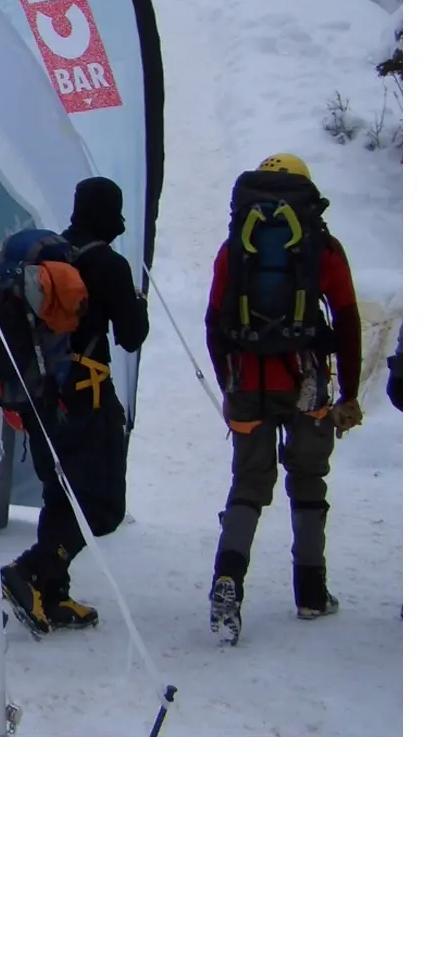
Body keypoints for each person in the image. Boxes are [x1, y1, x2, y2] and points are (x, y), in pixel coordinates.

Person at [205, 153, 361, 642]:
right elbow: (348, 319)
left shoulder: (235, 249)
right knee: (309, 480)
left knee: (249, 483)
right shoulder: (323, 248)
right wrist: (350, 393)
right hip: (307, 379)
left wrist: (228, 379)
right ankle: (311, 591)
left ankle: (228, 579)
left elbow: (214, 323)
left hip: (249, 379)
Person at [0, 175, 149, 635]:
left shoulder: (49, 257)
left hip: (42, 393)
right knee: (102, 506)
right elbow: (131, 336)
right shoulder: (110, 265)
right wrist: (135, 302)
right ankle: (30, 570)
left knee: (60, 491)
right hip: (87, 397)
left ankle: (52, 592)